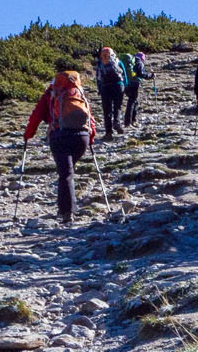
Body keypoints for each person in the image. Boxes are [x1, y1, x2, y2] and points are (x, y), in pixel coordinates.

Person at [23, 64, 98, 225]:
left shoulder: (52, 93)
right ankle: (66, 208)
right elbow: (90, 118)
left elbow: (37, 115)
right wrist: (91, 137)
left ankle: (67, 212)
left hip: (60, 135)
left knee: (65, 174)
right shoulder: (80, 93)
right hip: (82, 138)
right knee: (68, 172)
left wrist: (28, 135)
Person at [95, 46, 126, 139]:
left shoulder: (100, 64)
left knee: (107, 110)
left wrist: (100, 89)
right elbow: (124, 75)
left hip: (105, 87)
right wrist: (125, 86)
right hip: (118, 86)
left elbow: (98, 78)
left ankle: (108, 133)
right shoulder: (118, 61)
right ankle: (116, 122)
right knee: (118, 107)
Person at [124, 51, 148, 128]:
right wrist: (150, 75)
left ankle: (130, 121)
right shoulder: (139, 62)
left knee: (133, 101)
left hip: (125, 83)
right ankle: (129, 122)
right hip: (134, 84)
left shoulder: (130, 62)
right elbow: (141, 74)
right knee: (132, 102)